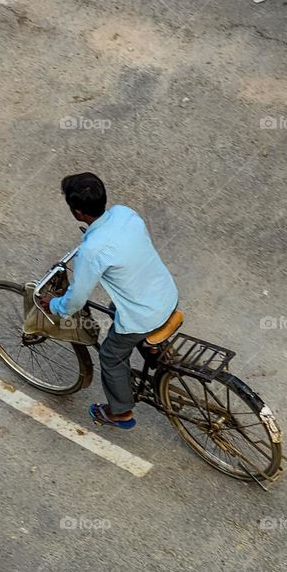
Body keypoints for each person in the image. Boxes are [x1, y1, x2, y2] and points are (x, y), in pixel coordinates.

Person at [49, 173, 178, 430]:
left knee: (110, 355)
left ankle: (120, 413)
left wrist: (54, 306)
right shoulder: (125, 214)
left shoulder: (93, 250)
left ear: (77, 212)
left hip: (144, 316)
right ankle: (154, 349)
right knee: (113, 307)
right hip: (166, 294)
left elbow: (77, 299)